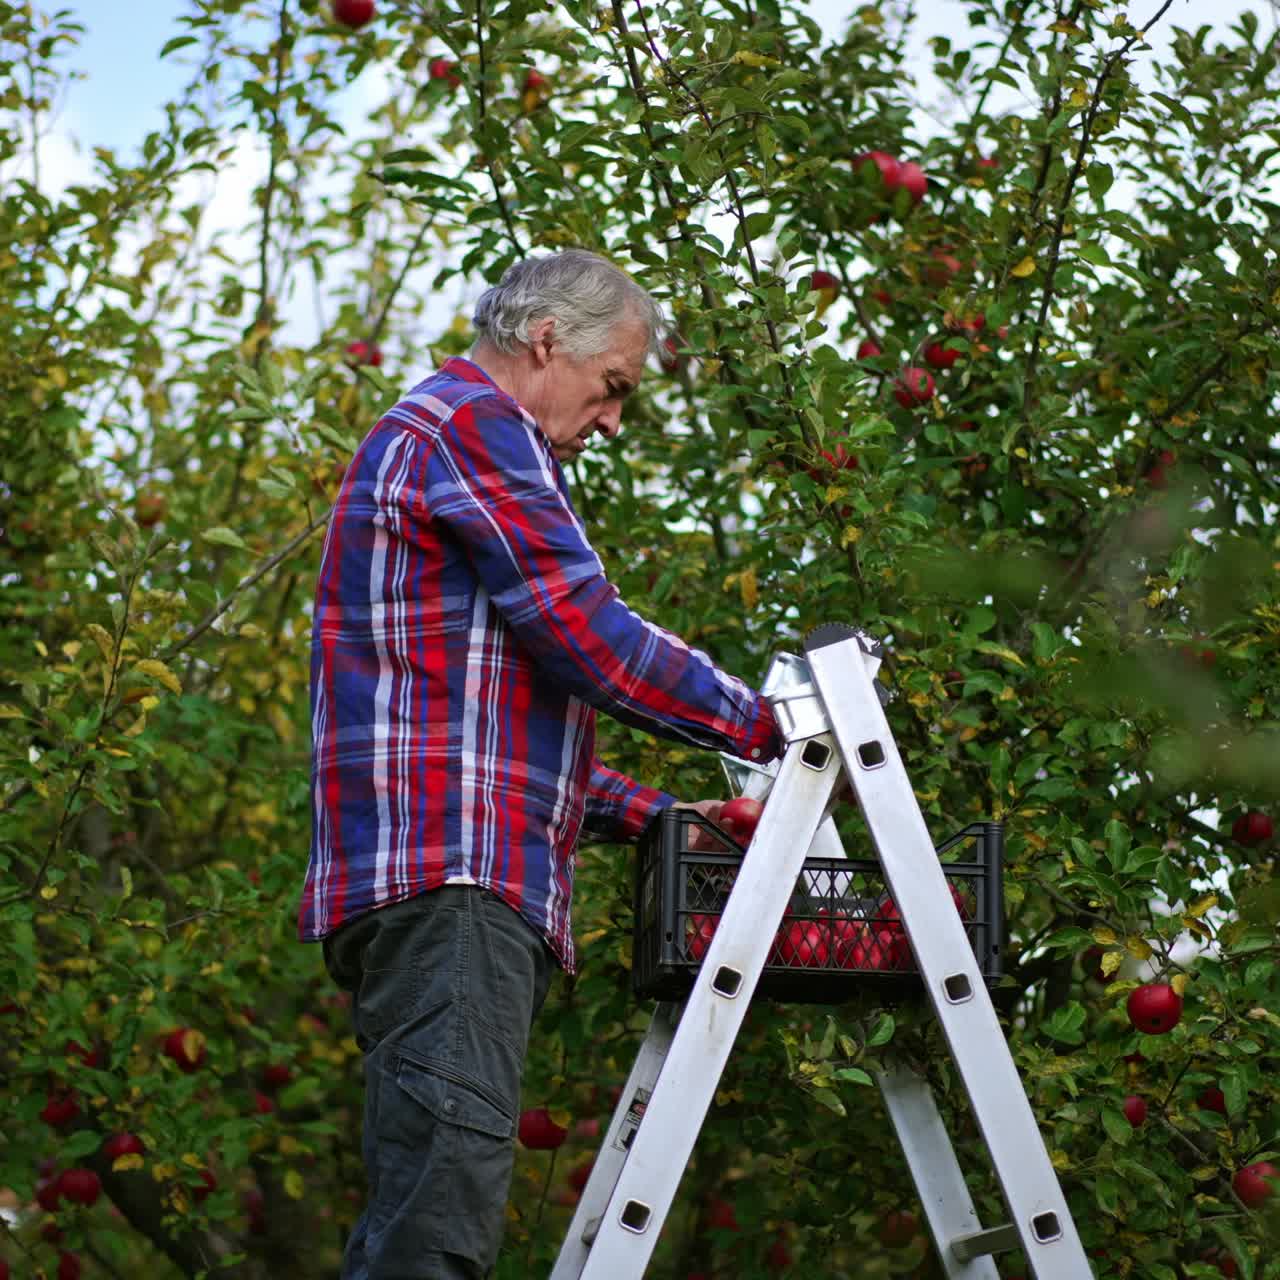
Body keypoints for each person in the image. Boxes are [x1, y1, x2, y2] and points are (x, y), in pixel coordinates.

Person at [299, 248, 782, 1279]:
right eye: (613, 390)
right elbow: (582, 629)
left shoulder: (442, 434)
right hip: (452, 884)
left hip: (438, 872)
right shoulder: (472, 424)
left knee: (425, 1207)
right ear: (548, 339)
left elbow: (492, 735)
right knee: (434, 1233)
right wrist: (772, 725)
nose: (610, 421)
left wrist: (662, 813)